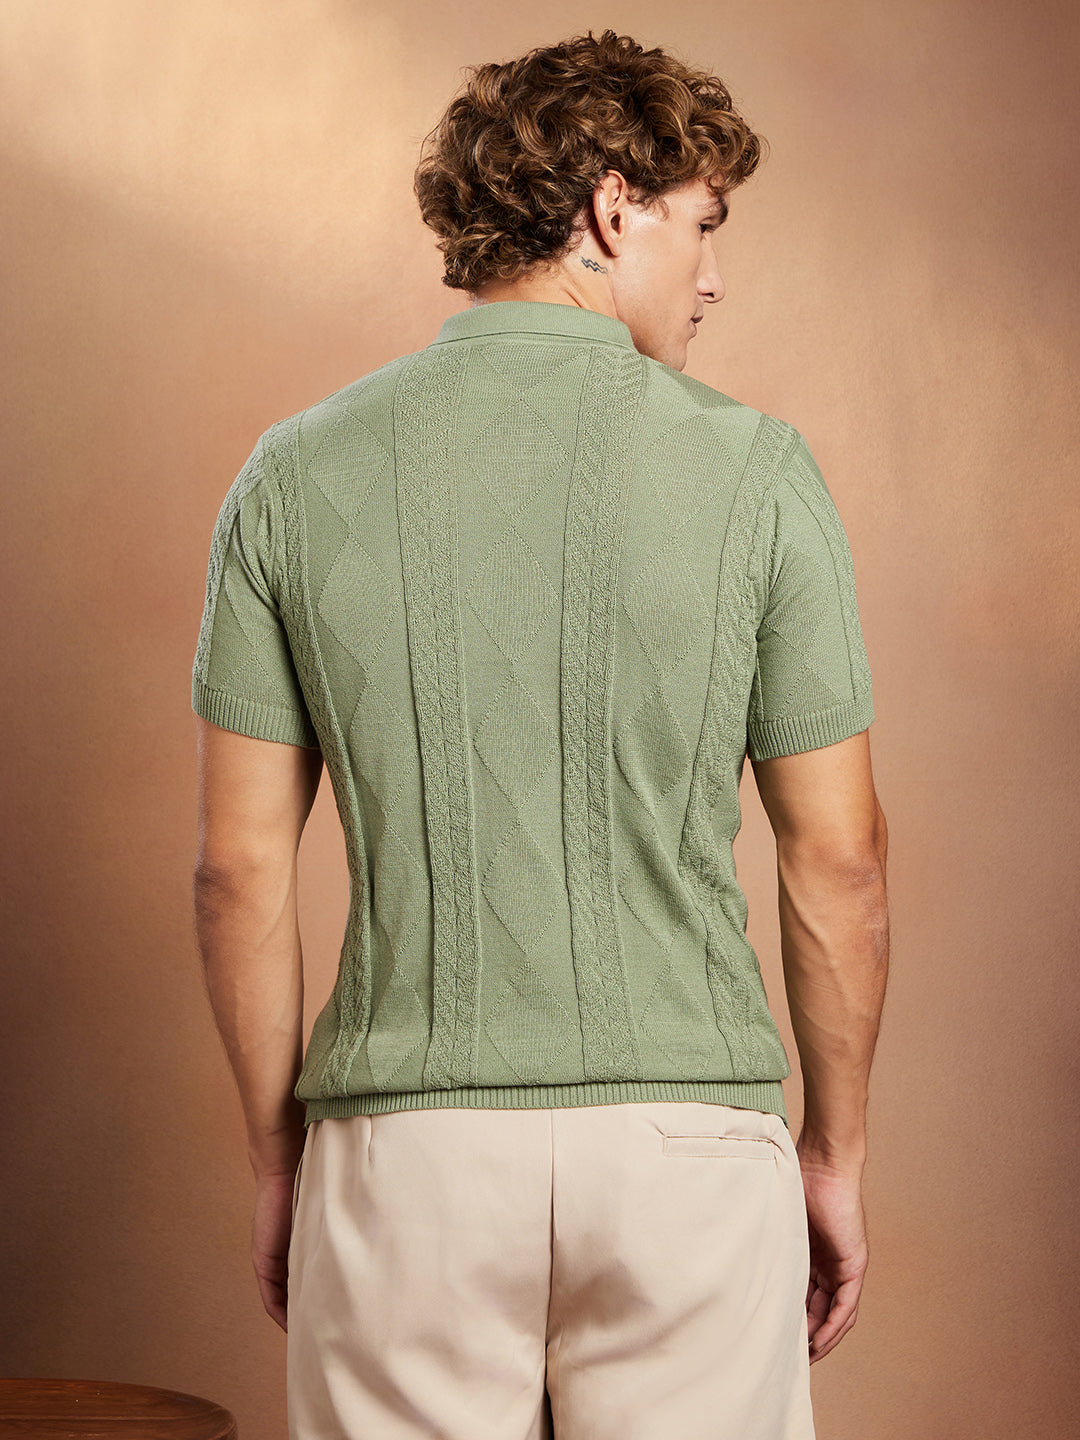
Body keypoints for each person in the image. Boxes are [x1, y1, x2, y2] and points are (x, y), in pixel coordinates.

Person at [191, 29, 889, 1440]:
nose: (713, 275)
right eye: (702, 224)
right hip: (691, 1157)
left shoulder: (291, 475)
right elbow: (841, 860)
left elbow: (239, 871)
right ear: (612, 206)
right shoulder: (759, 472)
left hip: (405, 1156)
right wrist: (834, 1153)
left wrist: (280, 1166)